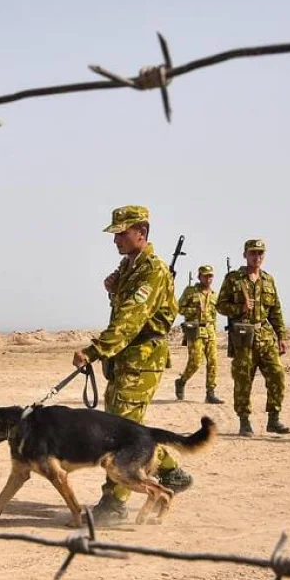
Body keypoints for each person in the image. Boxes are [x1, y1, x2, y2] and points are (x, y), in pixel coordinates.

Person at [71, 205, 190, 524]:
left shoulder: (153, 269)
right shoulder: (128, 267)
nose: (116, 240)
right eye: (115, 234)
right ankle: (171, 472)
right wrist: (113, 290)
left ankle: (113, 504)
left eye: (122, 233)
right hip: (125, 360)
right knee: (123, 429)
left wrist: (95, 350)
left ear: (142, 232)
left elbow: (131, 319)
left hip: (141, 362)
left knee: (120, 438)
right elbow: (124, 310)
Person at [216, 238, 290, 437]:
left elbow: (275, 310)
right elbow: (220, 305)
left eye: (260, 253)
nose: (257, 257)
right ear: (245, 255)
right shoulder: (234, 279)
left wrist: (281, 335)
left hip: (265, 337)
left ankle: (273, 419)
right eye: (253, 253)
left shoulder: (268, 280)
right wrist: (239, 308)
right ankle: (244, 421)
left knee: (277, 375)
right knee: (243, 380)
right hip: (243, 338)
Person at [174, 265, 225, 405]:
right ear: (199, 277)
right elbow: (179, 308)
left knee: (213, 362)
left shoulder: (214, 295)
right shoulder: (191, 291)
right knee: (195, 362)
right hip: (195, 330)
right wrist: (194, 310)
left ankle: (210, 393)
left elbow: (215, 315)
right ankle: (181, 381)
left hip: (210, 332)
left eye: (210, 276)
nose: (208, 279)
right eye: (205, 276)